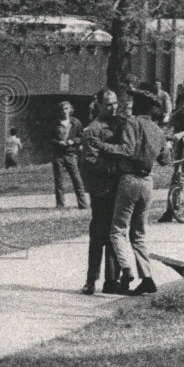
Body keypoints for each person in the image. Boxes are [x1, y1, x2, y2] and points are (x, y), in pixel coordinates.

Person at [93, 86, 171, 295]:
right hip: (148, 182)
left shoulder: (132, 123)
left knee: (117, 230)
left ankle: (126, 269)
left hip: (130, 180)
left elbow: (126, 150)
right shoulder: (158, 130)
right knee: (139, 233)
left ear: (137, 106)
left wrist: (102, 146)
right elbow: (165, 160)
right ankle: (147, 278)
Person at [80, 88, 121, 295]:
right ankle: (91, 279)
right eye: (108, 104)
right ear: (99, 105)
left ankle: (112, 280)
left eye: (115, 103)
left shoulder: (121, 124)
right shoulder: (92, 129)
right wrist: (116, 168)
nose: (113, 108)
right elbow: (90, 161)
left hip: (118, 191)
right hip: (101, 192)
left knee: (115, 236)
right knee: (98, 237)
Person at [50, 101, 88, 210]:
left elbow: (82, 137)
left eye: (66, 108)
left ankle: (83, 204)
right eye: (62, 109)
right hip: (58, 155)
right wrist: (58, 142)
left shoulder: (76, 122)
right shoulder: (55, 124)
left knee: (77, 179)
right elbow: (49, 139)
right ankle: (60, 204)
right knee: (59, 181)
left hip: (71, 154)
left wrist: (74, 141)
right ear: (59, 111)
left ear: (70, 109)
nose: (64, 111)